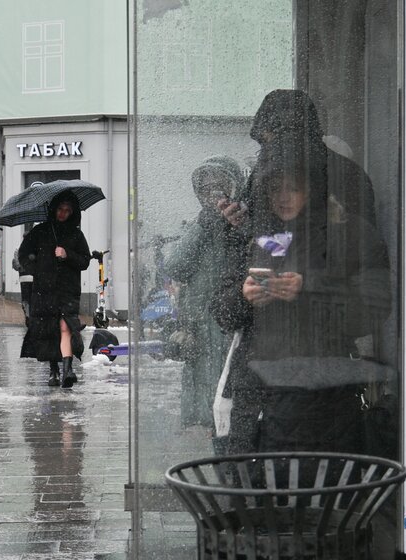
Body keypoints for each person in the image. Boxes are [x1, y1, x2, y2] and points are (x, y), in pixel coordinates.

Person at [211, 140, 391, 456]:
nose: (282, 197)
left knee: (315, 489)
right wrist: (244, 296)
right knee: (254, 492)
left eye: (293, 188)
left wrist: (306, 290)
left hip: (323, 396)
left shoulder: (348, 237)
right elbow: (222, 314)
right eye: (274, 188)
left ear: (314, 189)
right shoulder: (253, 236)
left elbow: (372, 312)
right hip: (255, 396)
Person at [220, 88, 377, 232]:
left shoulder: (343, 174)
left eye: (270, 139)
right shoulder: (266, 169)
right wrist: (236, 219)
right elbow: (255, 225)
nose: (267, 149)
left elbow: (357, 241)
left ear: (290, 134)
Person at [165, 156, 244, 430]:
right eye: (205, 189)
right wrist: (204, 225)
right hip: (201, 328)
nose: (213, 195)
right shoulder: (200, 226)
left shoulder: (243, 219)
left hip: (233, 324)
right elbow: (175, 265)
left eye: (219, 187)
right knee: (207, 403)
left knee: (229, 399)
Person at [19, 191, 91, 388]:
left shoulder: (76, 234)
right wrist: (38, 269)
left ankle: (67, 370)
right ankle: (54, 371)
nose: (63, 214)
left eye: (68, 211)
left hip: (68, 289)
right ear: (54, 209)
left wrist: (67, 254)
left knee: (66, 326)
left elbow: (85, 261)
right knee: (50, 329)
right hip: (44, 289)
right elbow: (23, 255)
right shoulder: (40, 231)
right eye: (60, 209)